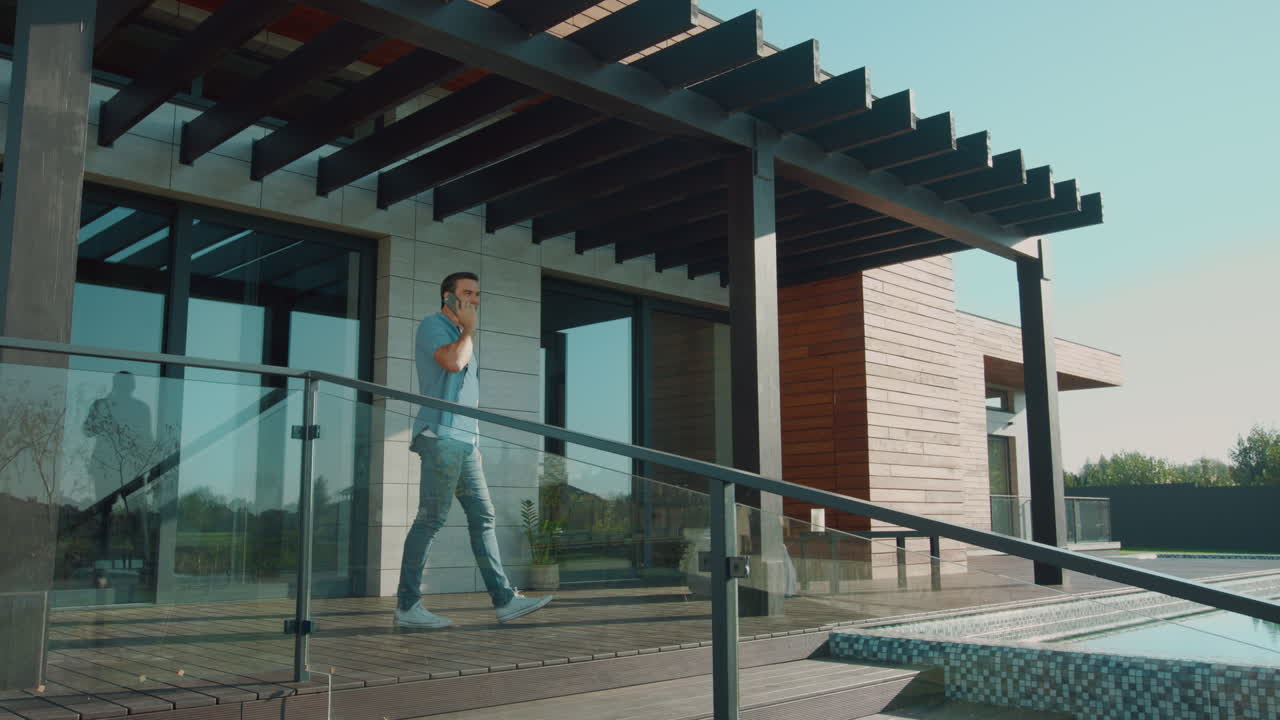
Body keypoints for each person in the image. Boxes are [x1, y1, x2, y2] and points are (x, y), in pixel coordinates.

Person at [395, 271, 552, 627]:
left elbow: (467, 394)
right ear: (447, 296)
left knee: (483, 518)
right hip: (441, 437)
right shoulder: (433, 325)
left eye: (478, 294)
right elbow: (452, 363)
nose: (474, 300)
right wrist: (468, 330)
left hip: (466, 443)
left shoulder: (461, 334)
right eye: (467, 293)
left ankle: (504, 600)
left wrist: (476, 442)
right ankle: (407, 606)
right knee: (431, 519)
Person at [83, 370, 155, 589]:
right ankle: (103, 571)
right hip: (107, 469)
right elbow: (87, 429)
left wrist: (149, 468)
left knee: (136, 519)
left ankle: (145, 570)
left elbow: (147, 440)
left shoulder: (141, 408)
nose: (125, 387)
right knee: (106, 520)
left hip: (130, 470)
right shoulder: (102, 405)